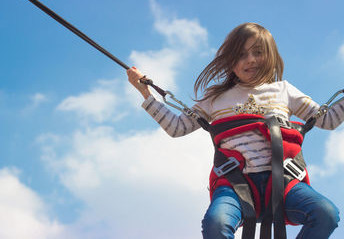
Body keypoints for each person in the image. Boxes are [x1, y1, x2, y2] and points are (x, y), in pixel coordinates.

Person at [127, 23, 341, 239]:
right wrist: (146, 93)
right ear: (230, 63)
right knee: (216, 223)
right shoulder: (215, 99)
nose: (250, 59)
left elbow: (328, 120)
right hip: (235, 183)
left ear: (271, 55)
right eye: (241, 55)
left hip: (283, 182)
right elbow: (177, 127)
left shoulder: (284, 91)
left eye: (258, 52)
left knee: (326, 214)